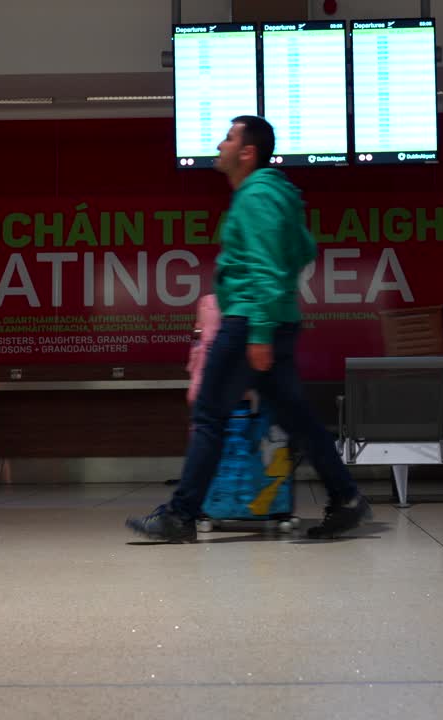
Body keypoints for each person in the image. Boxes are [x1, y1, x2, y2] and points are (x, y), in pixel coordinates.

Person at [126, 115, 370, 542]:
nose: (219, 144)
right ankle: (346, 497)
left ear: (247, 153)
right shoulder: (279, 195)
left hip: (247, 322)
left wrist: (257, 333)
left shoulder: (256, 196)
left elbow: (263, 266)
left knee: (208, 415)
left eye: (228, 138)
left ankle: (180, 515)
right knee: (297, 418)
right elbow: (302, 251)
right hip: (277, 320)